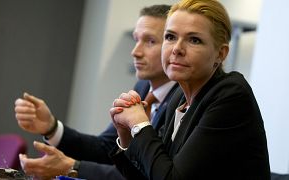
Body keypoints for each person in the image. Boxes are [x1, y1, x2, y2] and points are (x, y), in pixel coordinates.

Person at [14, 4, 181, 180]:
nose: (135, 52)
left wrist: (71, 167)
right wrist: (51, 127)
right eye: (136, 39)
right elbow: (106, 147)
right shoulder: (143, 87)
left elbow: (147, 173)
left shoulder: (183, 99)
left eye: (150, 41)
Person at [110, 0, 270, 179]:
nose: (177, 49)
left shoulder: (231, 94)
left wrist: (139, 125)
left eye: (194, 40)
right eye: (170, 37)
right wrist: (127, 138)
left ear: (221, 53)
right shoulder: (179, 96)